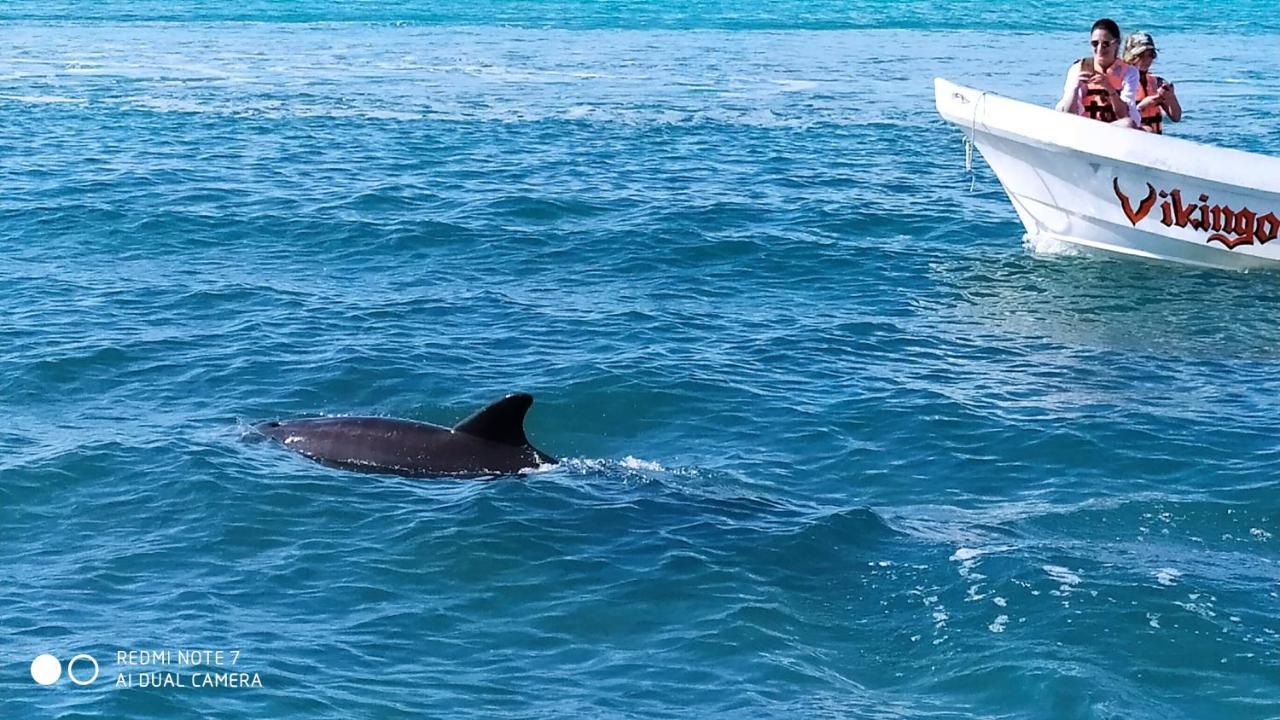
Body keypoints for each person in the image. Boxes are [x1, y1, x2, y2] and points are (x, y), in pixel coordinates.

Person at [1055, 18, 1140, 128]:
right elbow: (1067, 115)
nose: (1099, 49)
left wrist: (1110, 89)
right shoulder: (1078, 68)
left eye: (1105, 44)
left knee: (1128, 123)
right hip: (1084, 128)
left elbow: (1124, 115)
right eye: (1095, 44)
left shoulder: (1129, 72)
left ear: (1116, 44)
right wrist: (1075, 89)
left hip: (1112, 130)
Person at [1122, 31, 1181, 133]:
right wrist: (1142, 106)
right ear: (1130, 56)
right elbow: (1119, 117)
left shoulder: (1157, 83)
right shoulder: (1121, 82)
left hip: (1154, 142)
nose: (1146, 60)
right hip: (1132, 138)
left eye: (1150, 55)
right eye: (1141, 55)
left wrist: (1171, 97)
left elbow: (1176, 117)